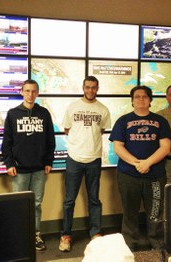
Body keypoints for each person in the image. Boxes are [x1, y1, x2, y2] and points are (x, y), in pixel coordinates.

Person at [109, 85, 171, 251]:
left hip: (155, 176)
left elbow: (165, 147)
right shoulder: (123, 121)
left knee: (155, 212)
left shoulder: (160, 121)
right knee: (130, 212)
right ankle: (130, 245)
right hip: (128, 175)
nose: (141, 99)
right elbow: (118, 147)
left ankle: (157, 245)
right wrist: (137, 163)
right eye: (137, 96)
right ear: (132, 101)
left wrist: (148, 163)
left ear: (150, 100)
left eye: (145, 96)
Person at [1, 79, 55, 251]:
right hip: (19, 169)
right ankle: (19, 235)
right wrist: (9, 163)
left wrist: (48, 161)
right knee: (19, 203)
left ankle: (35, 234)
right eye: (27, 91)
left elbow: (50, 140)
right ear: (21, 92)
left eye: (33, 91)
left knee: (37, 203)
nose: (30, 94)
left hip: (39, 168)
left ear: (37, 93)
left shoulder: (44, 113)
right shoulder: (13, 114)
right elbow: (7, 141)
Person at [59, 76, 111, 252]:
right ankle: (66, 235)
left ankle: (95, 233)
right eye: (88, 87)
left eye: (94, 88)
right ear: (83, 87)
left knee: (94, 199)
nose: (90, 90)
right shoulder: (72, 107)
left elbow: (101, 130)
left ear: (97, 88)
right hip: (74, 159)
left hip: (94, 159)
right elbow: (67, 129)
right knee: (69, 201)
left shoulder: (103, 109)